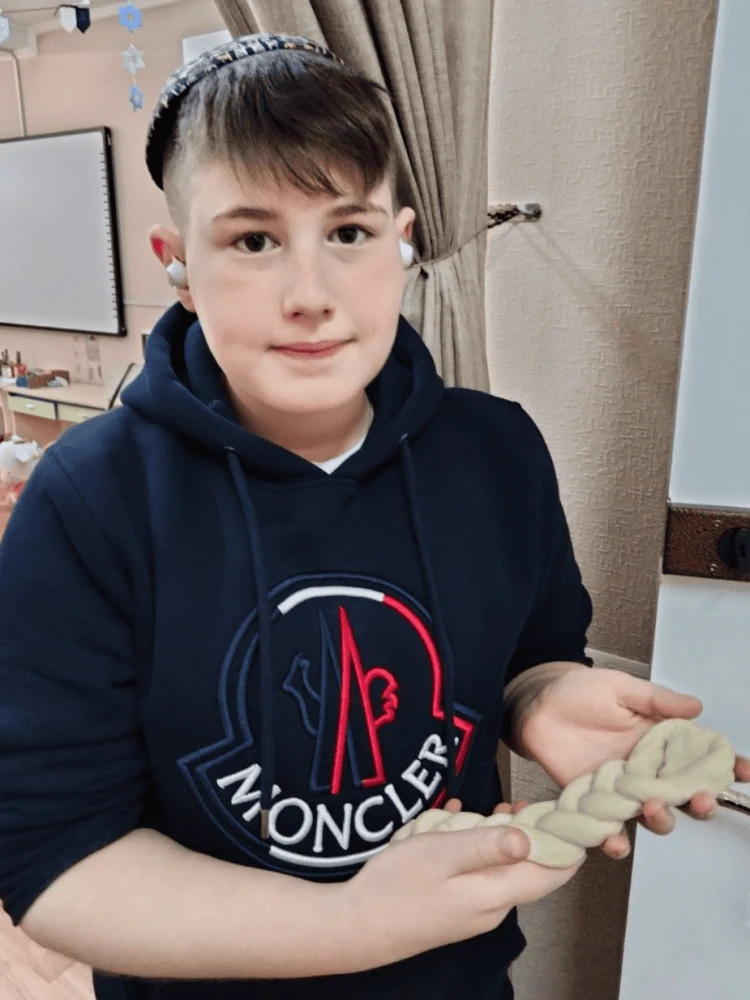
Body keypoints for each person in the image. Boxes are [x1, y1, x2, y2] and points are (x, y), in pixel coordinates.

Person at [1, 32, 747, 1000]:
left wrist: (545, 696)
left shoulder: (497, 451)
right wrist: (352, 922)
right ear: (178, 257)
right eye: (253, 239)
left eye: (347, 233)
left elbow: (529, 650)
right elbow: (57, 862)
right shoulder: (91, 495)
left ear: (398, 240)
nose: (310, 296)